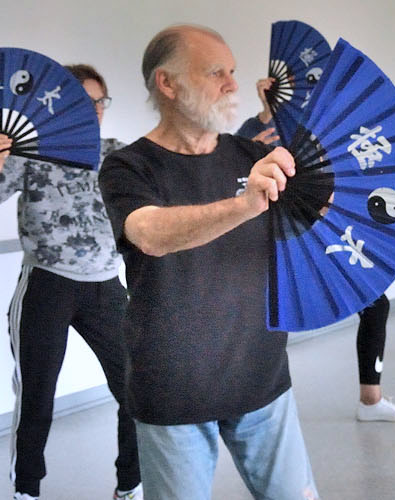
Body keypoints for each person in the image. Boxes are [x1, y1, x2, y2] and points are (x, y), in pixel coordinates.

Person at [97, 24, 317, 498]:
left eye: (233, 71)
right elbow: (149, 233)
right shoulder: (127, 166)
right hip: (175, 386)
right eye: (216, 72)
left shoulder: (254, 155)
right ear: (168, 83)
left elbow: (315, 215)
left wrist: (386, 206)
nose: (233, 84)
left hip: (262, 374)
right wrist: (244, 205)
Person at [237, 78, 395, 422]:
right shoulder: (252, 131)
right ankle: (256, 409)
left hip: (320, 231)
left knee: (374, 303)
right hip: (273, 235)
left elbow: (349, 181)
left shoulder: (318, 129)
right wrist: (264, 115)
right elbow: (240, 180)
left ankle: (371, 399)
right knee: (269, 316)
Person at [0, 64, 141, 500]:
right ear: (61, 107)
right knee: (38, 399)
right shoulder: (29, 155)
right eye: (82, 101)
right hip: (47, 284)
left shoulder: (117, 154)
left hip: (107, 285)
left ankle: (129, 485)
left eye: (100, 101)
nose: (94, 110)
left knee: (135, 391)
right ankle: (27, 490)